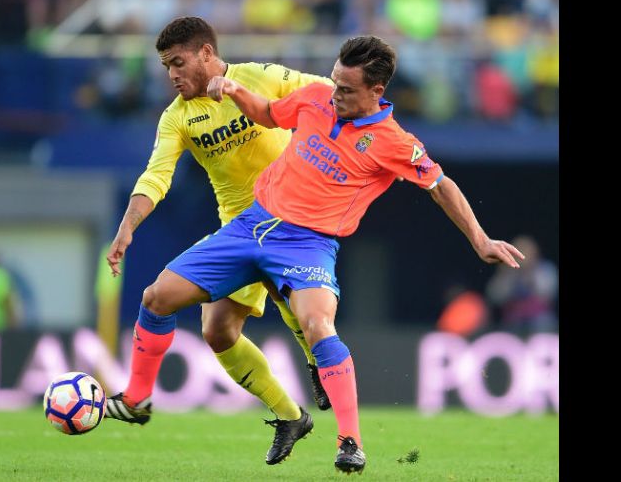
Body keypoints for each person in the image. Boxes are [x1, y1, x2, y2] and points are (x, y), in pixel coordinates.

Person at [105, 34, 526, 473]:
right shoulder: (315, 98)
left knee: (317, 325)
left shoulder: (395, 142)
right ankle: (137, 399)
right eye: (334, 82)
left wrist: (480, 239)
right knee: (157, 298)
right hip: (250, 225)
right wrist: (235, 92)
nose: (334, 94)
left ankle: (350, 442)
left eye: (345, 89)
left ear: (375, 92)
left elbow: (441, 187)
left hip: (307, 243)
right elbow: (269, 114)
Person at [104, 16, 333, 464]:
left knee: (296, 304)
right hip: (238, 229)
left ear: (207, 54)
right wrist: (128, 225)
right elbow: (156, 176)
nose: (171, 75)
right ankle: (290, 416)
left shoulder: (257, 77)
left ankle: (318, 361)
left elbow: (322, 89)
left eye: (178, 62)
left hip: (291, 218)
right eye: (166, 66)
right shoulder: (177, 117)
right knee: (204, 324)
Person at [485, 235, 558, 335]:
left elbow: (548, 294)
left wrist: (530, 274)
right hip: (513, 319)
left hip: (539, 319)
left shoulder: (545, 269)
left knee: (544, 323)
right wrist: (507, 275)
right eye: (519, 250)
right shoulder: (507, 271)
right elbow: (495, 296)